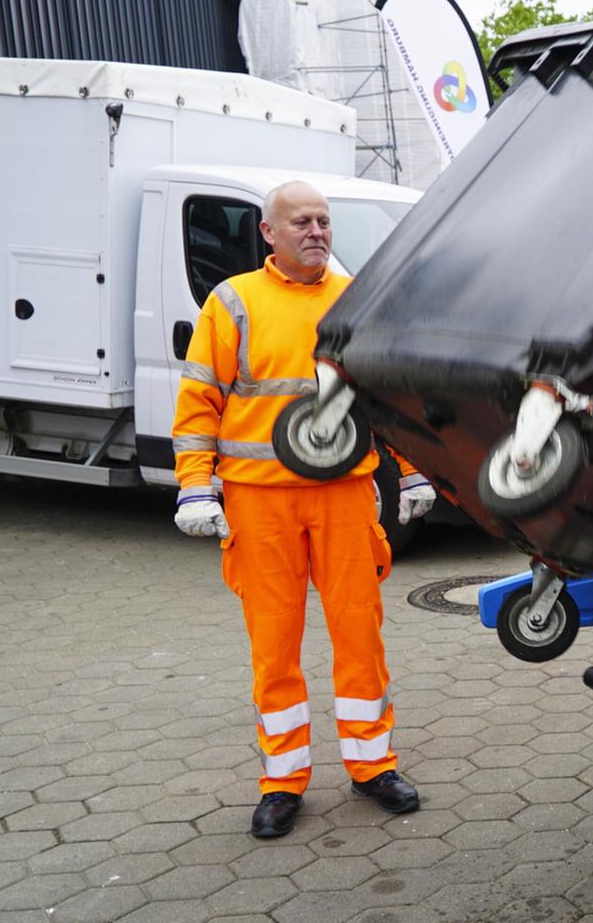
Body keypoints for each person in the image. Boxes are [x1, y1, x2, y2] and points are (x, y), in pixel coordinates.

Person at [172, 180, 436, 838]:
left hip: (344, 494)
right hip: (259, 501)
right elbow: (200, 401)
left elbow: (390, 397)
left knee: (359, 635)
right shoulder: (233, 302)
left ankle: (372, 766)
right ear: (269, 233)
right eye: (301, 222)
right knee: (274, 643)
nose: (316, 231)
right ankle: (282, 782)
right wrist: (195, 485)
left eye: (323, 222)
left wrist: (414, 473)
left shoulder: (354, 302)